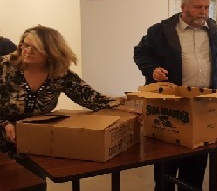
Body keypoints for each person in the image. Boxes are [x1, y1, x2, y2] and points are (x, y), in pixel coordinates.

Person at [134, 0, 217, 191]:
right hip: (172, 104)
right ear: (183, 7)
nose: (203, 12)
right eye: (198, 7)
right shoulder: (161, 31)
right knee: (166, 161)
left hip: (205, 104)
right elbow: (141, 53)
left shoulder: (216, 32)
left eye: (207, 7)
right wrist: (152, 69)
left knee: (197, 161)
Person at [0, 25, 128, 154]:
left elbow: (88, 96)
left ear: (51, 52)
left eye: (36, 49)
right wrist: (4, 123)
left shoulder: (58, 73)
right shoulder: (4, 67)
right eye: (25, 45)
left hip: (34, 137)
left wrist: (118, 104)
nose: (27, 51)